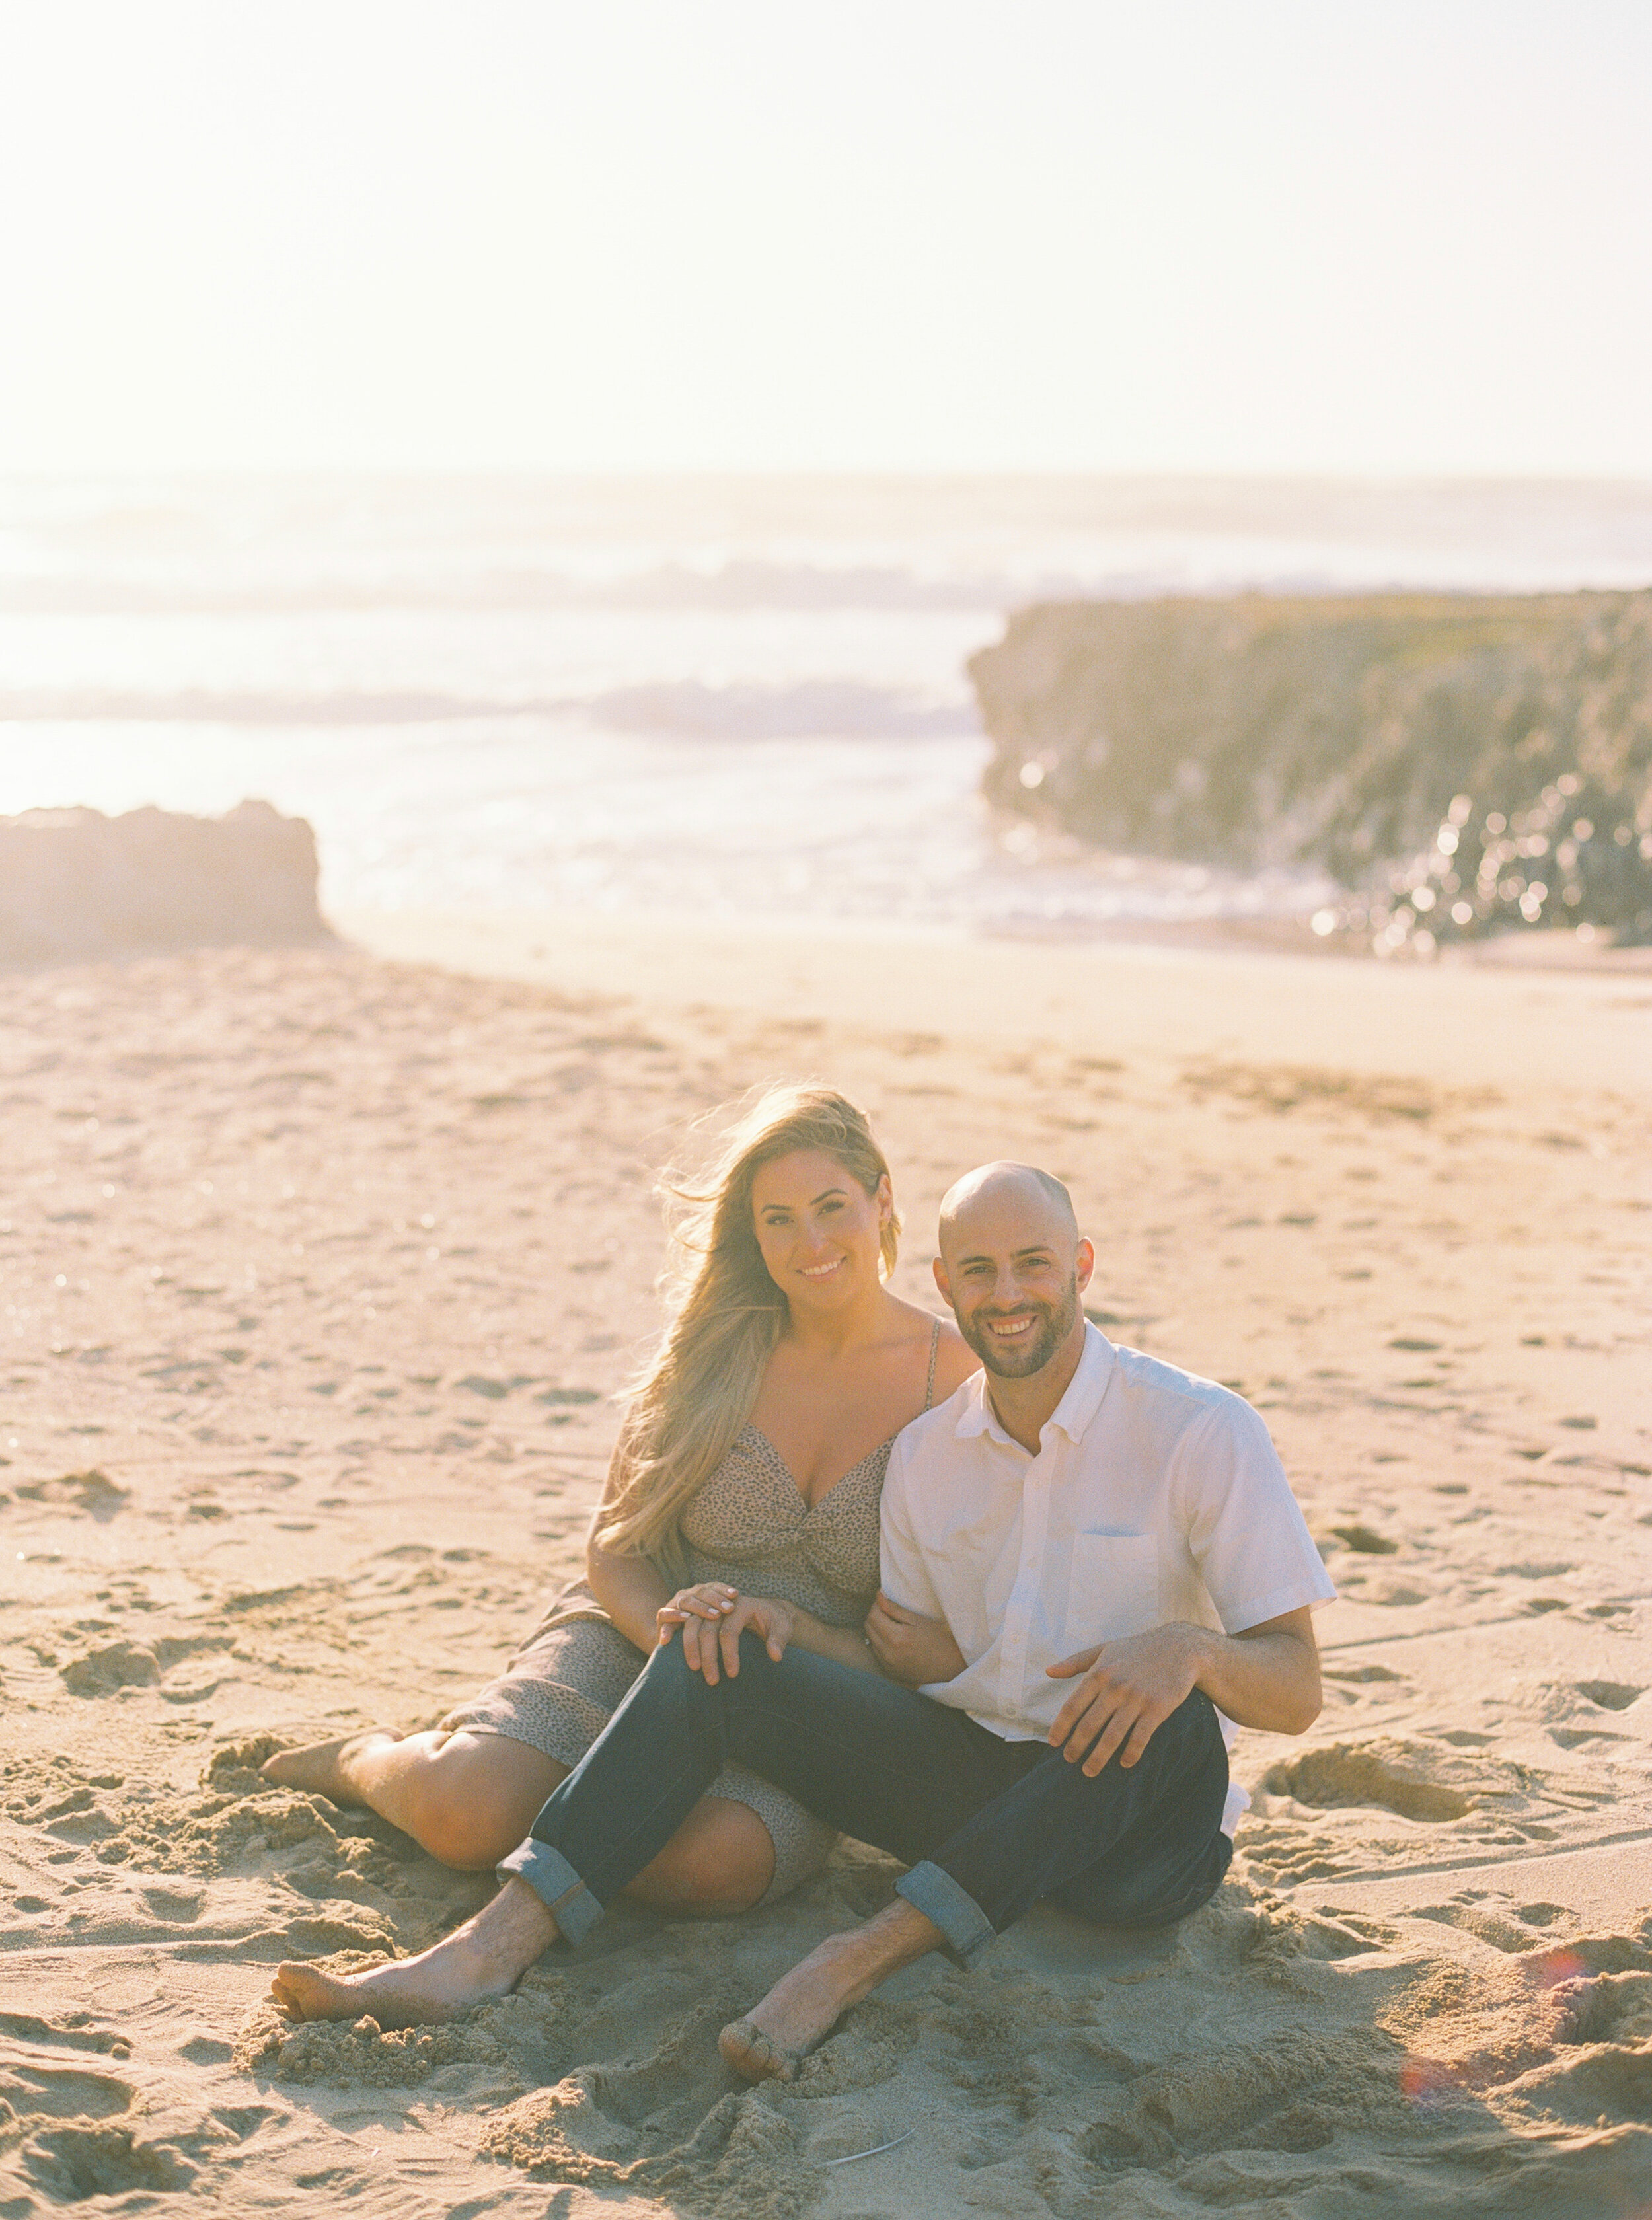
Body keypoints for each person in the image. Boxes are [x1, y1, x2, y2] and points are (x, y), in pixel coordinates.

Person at [271, 1162, 1335, 2079]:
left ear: (1083, 1266)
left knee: (1170, 1715)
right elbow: (903, 1665)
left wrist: (1189, 1649)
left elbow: (1296, 1687)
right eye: (979, 1271)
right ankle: (485, 1952)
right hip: (972, 1787)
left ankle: (852, 1959)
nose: (1007, 1295)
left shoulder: (1200, 1431)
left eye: (1033, 1265)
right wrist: (767, 1623)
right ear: (943, 1283)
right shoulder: (930, 1459)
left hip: (1139, 1842)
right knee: (715, 1651)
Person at [260, 1084, 975, 1915]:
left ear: (881, 1198)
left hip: (806, 1699)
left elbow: (958, 1619)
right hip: (645, 1630)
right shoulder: (718, 1347)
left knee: (710, 1869)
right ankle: (365, 1760)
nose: (809, 1242)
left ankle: (538, 1788)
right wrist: (675, 1637)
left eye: (830, 1207)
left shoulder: (956, 1379)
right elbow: (614, 1544)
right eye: (777, 1218)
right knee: (465, 1815)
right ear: (752, 1232)